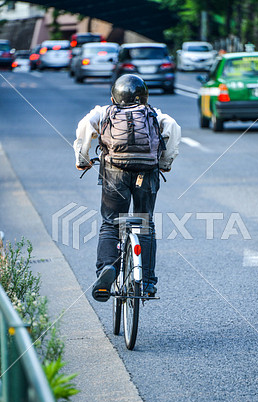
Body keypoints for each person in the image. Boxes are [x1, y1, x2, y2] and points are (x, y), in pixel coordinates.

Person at [73, 74, 181, 301]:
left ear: (114, 97)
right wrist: (165, 163)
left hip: (115, 173)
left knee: (111, 223)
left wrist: (82, 159)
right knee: (145, 224)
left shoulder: (104, 112)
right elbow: (172, 127)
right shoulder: (153, 113)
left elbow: (85, 126)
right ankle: (148, 282)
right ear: (144, 97)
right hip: (146, 174)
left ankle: (106, 269)